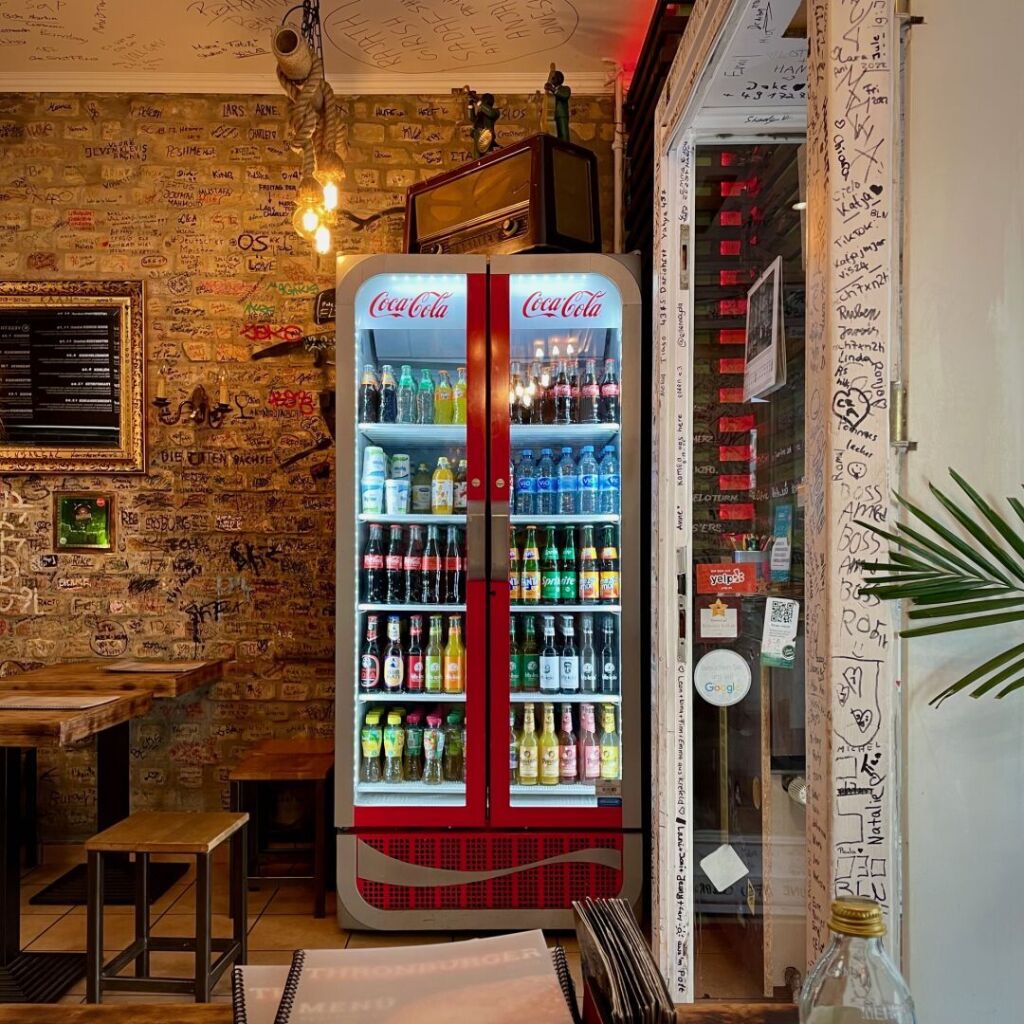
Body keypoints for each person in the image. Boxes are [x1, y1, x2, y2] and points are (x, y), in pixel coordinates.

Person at [468, 91, 501, 157]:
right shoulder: (480, 113)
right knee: (476, 158)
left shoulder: (495, 111)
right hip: (477, 134)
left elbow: (490, 112)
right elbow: (472, 118)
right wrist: (470, 104)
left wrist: (477, 100)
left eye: (484, 100)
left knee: (487, 156)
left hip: (486, 136)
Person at [545, 65, 571, 141]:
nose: (552, 80)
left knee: (563, 135)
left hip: (561, 115)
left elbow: (565, 95)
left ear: (559, 79)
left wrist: (552, 89)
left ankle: (566, 150)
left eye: (554, 78)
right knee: (555, 137)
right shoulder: (551, 93)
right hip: (552, 117)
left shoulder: (565, 88)